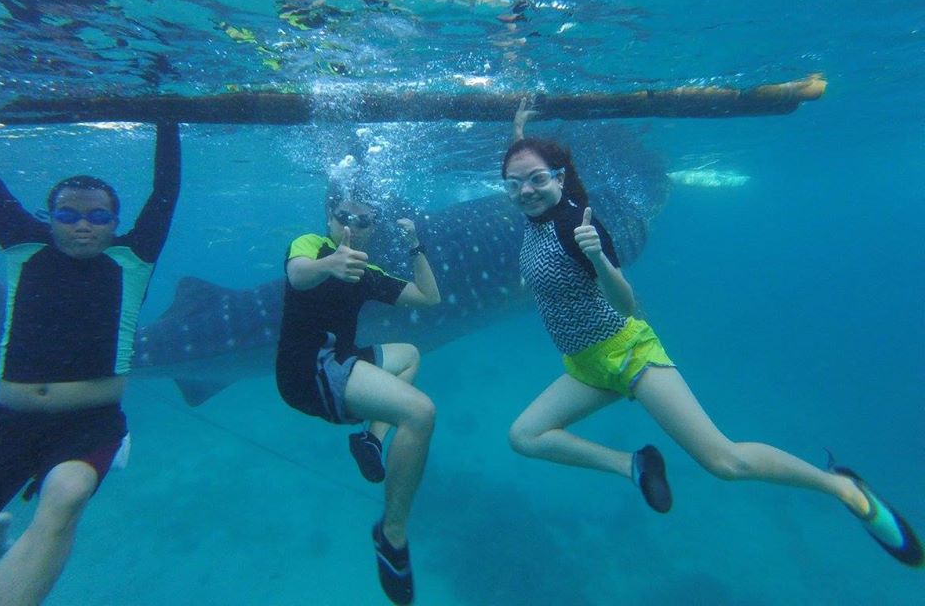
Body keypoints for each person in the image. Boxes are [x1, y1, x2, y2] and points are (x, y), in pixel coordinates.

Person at [500, 102, 922, 567]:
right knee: (526, 435)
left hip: (629, 354)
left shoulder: (575, 228)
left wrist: (599, 258)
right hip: (585, 366)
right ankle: (634, 465)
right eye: (515, 182)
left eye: (538, 179)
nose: (526, 190)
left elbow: (625, 304)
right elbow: (523, 170)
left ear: (559, 177)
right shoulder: (531, 209)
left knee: (725, 462)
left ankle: (843, 487)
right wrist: (519, 128)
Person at [0, 122, 181, 604]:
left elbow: (165, 191)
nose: (82, 225)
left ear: (114, 222)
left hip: (91, 422)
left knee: (65, 496)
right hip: (9, 420)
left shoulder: (133, 259)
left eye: (98, 216)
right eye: (68, 213)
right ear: (50, 218)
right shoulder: (25, 245)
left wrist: (166, 118)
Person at [275, 179, 441, 605]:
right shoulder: (310, 245)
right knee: (420, 414)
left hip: (339, 362)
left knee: (410, 355)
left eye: (364, 220)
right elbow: (297, 275)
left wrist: (415, 245)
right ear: (330, 218)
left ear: (373, 225)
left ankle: (371, 438)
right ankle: (392, 534)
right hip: (307, 372)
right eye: (344, 217)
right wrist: (329, 266)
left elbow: (428, 297)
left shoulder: (368, 273)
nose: (353, 225)